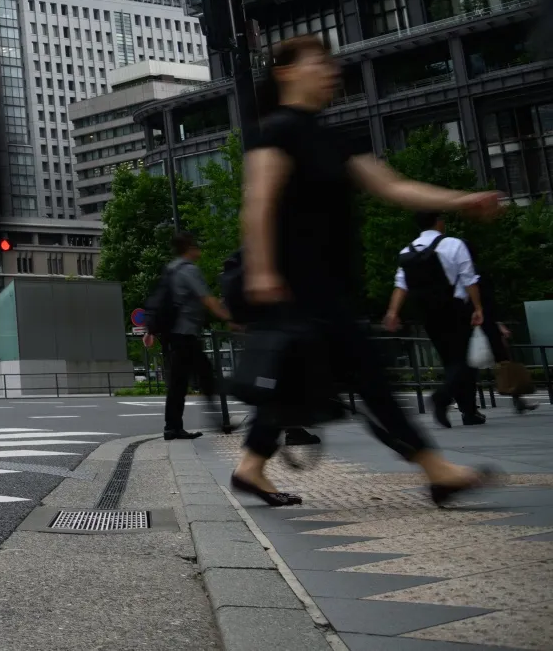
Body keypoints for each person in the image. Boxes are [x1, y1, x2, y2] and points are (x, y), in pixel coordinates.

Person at [232, 34, 501, 509]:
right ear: (286, 71)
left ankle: (250, 468)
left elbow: (393, 187)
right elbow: (258, 201)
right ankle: (437, 470)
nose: (331, 69)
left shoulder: (333, 137)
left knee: (294, 379)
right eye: (319, 61)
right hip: (298, 286)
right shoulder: (276, 131)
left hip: (330, 284)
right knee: (370, 376)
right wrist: (261, 271)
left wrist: (460, 200)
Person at [384, 214, 487, 427]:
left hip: (427, 313)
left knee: (450, 360)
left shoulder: (407, 251)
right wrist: (477, 307)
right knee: (464, 360)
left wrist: (393, 312)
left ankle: (468, 411)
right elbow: (469, 278)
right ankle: (444, 398)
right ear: (439, 221)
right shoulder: (453, 244)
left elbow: (401, 285)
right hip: (456, 308)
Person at [152, 231, 231, 440]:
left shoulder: (172, 269)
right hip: (184, 334)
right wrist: (229, 318)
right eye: (197, 246)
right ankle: (218, 419)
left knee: (179, 382)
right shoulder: (189, 270)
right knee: (204, 374)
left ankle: (173, 427)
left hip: (174, 334)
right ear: (190, 248)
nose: (199, 250)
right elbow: (207, 299)